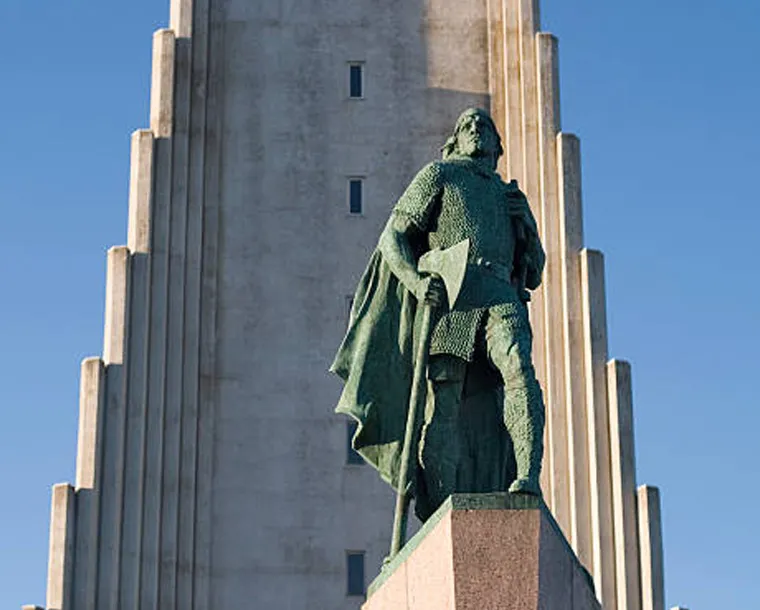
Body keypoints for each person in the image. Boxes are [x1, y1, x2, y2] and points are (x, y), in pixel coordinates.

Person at [331, 108, 546, 522]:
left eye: (483, 125)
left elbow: (534, 272)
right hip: (452, 296)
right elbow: (393, 236)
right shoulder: (440, 175)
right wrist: (414, 281)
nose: (475, 128)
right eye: (467, 125)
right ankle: (442, 505)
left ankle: (527, 477)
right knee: (445, 401)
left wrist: (528, 227)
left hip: (500, 293)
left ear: (497, 144)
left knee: (519, 368)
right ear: (455, 139)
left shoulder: (509, 197)